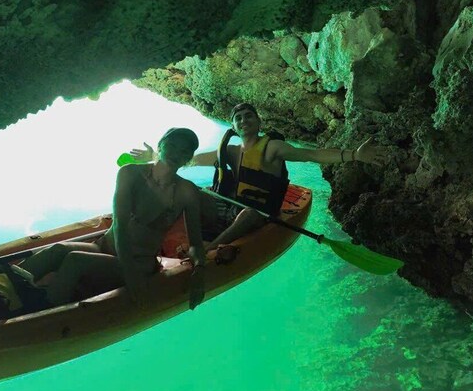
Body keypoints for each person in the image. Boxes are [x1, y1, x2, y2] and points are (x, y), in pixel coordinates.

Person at [129, 103, 386, 250]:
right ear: (233, 126)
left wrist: (354, 155)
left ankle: (211, 246)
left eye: (248, 116)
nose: (244, 120)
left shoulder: (272, 148)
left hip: (256, 213)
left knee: (249, 214)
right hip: (228, 208)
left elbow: (311, 154)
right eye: (238, 118)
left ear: (258, 122)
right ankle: (152, 228)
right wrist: (155, 156)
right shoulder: (229, 151)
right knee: (190, 192)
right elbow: (187, 159)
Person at [19, 127, 206, 310]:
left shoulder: (186, 191)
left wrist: (199, 271)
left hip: (138, 262)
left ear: (189, 158)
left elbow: (195, 243)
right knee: (58, 250)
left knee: (75, 260)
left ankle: (37, 313)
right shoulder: (130, 173)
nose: (176, 154)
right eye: (172, 146)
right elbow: (120, 226)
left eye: (184, 151)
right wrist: (130, 278)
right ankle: (7, 282)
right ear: (160, 145)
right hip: (104, 247)